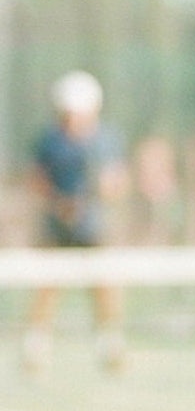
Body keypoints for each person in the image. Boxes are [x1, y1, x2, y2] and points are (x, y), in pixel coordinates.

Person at [21, 70, 128, 374]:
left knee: (104, 285)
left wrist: (98, 196)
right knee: (48, 286)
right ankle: (36, 348)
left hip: (94, 227)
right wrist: (59, 204)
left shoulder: (106, 140)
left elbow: (116, 181)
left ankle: (111, 346)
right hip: (56, 228)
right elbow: (36, 179)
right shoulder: (50, 140)